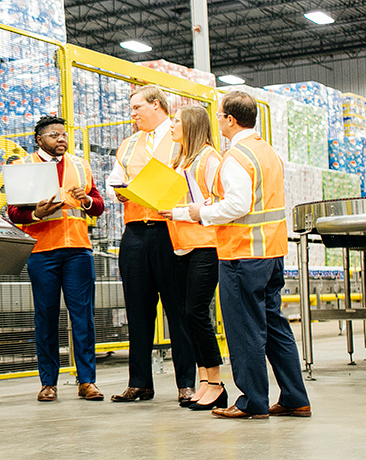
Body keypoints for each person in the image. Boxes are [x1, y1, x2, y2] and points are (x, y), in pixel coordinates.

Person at [186, 91, 311, 419]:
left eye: (220, 115)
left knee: (245, 331)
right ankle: (295, 397)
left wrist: (201, 211)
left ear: (230, 119)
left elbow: (238, 206)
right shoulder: (267, 151)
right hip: (271, 253)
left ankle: (252, 402)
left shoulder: (236, 157)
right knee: (274, 325)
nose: (217, 120)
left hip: (242, 255)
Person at [106, 85, 197, 404]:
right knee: (138, 310)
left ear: (156, 105)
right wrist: (118, 190)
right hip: (135, 233)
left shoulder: (181, 138)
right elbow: (115, 179)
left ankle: (187, 383)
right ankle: (140, 382)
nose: (132, 114)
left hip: (170, 231)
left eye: (136, 108)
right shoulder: (129, 144)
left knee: (179, 310)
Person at [7, 115, 106, 402]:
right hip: (42, 251)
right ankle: (48, 382)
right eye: (53, 135)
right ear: (39, 139)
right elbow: (13, 213)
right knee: (46, 317)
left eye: (63, 135)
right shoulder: (22, 167)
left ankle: (87, 381)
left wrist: (86, 201)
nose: (61, 139)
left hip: (78, 250)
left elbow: (97, 206)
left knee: (83, 318)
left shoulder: (80, 165)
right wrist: (36, 213)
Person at [158, 105, 227, 411]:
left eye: (176, 121)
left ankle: (216, 383)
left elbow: (214, 203)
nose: (171, 125)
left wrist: (177, 212)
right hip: (182, 245)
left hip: (205, 245)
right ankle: (204, 381)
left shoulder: (209, 158)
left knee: (198, 313)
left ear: (191, 126)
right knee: (188, 317)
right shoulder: (181, 160)